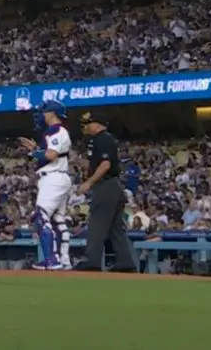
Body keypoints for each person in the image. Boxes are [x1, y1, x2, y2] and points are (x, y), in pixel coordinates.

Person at [75, 112, 136, 272]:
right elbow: (97, 164)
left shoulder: (103, 138)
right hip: (113, 186)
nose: (85, 127)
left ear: (96, 123)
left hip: (106, 186)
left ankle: (91, 261)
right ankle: (125, 262)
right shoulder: (101, 140)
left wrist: (88, 182)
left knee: (97, 223)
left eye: (88, 123)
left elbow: (105, 165)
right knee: (115, 227)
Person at [18, 100, 73, 270]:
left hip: (53, 178)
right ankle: (63, 259)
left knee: (41, 218)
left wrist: (33, 152)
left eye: (44, 112)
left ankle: (51, 260)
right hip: (60, 177)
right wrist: (36, 147)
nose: (42, 115)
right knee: (57, 220)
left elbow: (50, 155)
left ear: (52, 113)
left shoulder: (55, 130)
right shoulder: (60, 131)